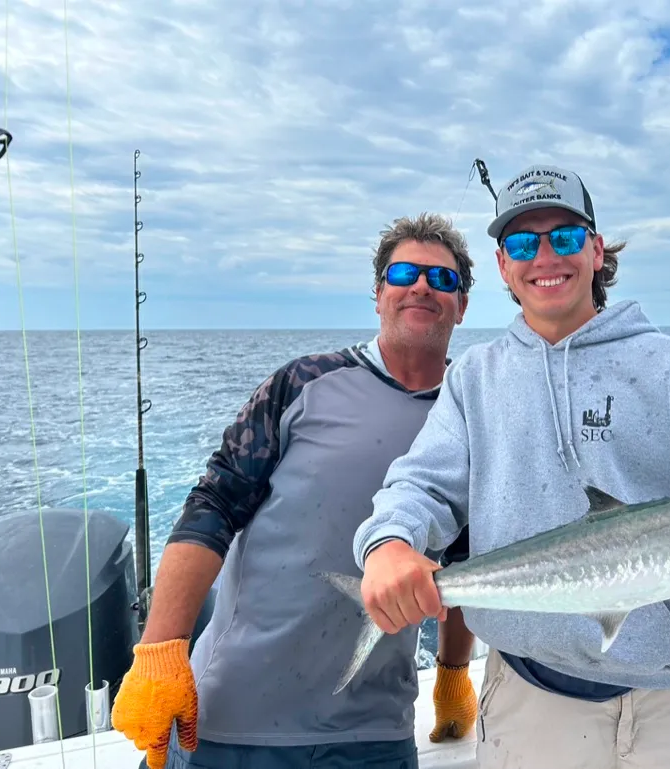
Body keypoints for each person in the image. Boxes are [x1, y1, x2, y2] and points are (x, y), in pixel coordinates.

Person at [352, 164, 670, 768]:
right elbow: (421, 485)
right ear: (502, 264)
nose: (545, 256)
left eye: (564, 237)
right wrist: (388, 542)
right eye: (522, 242)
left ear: (596, 250)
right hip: (526, 703)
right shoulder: (474, 379)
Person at [110, 212, 481, 769]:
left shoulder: (469, 418)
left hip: (374, 733)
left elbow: (462, 566)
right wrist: (161, 649)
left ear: (462, 305)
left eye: (443, 278)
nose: (423, 286)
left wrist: (452, 672)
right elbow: (213, 505)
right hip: (230, 720)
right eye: (405, 273)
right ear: (379, 294)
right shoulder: (302, 383)